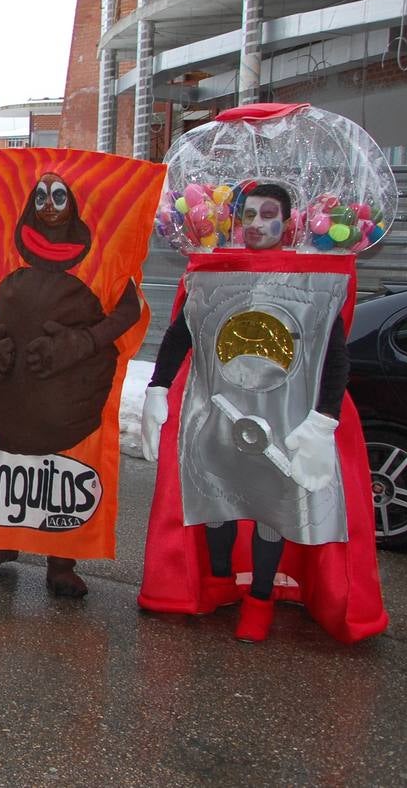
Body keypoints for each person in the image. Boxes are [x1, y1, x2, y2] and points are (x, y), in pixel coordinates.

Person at [141, 181, 371, 641]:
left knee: (273, 508)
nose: (256, 224)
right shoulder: (212, 271)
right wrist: (158, 387)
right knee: (215, 500)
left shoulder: (311, 277)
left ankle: (260, 599)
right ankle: (220, 581)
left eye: (268, 214)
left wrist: (325, 418)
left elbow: (333, 353)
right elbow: (181, 334)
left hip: (286, 413)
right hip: (218, 411)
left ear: (288, 223)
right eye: (247, 214)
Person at [0, 149, 163, 597]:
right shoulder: (3, 251)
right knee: (6, 469)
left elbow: (127, 309)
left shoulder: (103, 257)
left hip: (69, 397)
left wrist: (83, 343)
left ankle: (62, 562)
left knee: (65, 473)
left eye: (58, 196)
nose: (49, 205)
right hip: (7, 392)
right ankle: (1, 544)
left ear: (73, 203)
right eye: (40, 197)